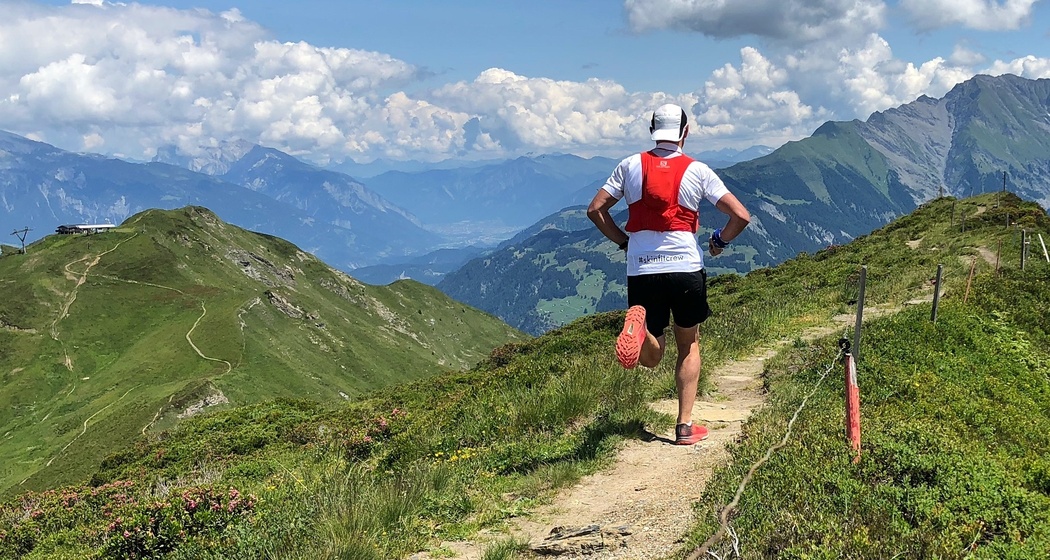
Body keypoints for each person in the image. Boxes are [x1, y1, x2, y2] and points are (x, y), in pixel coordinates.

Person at [587, 103, 751, 445]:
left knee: (652, 357)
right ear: (685, 133)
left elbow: (596, 209)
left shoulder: (629, 166)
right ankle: (684, 427)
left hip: (642, 269)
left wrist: (623, 242)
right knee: (688, 345)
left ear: (652, 130)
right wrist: (719, 240)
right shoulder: (698, 170)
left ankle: (640, 331)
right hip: (685, 268)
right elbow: (741, 216)